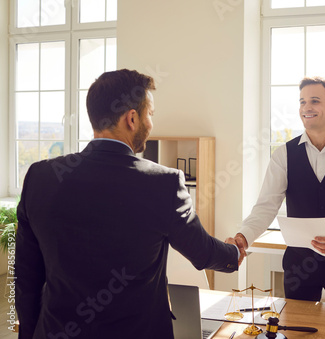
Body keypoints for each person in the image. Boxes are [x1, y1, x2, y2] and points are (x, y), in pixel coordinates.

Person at [15, 69, 242, 339]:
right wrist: (234, 254)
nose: (151, 123)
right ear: (131, 118)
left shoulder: (40, 177)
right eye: (150, 114)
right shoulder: (164, 183)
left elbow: (27, 277)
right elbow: (202, 251)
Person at [233, 76, 325, 339]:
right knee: (298, 332)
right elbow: (266, 207)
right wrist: (243, 236)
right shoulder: (283, 154)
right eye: (302, 101)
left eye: (315, 101)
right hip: (299, 265)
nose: (306, 107)